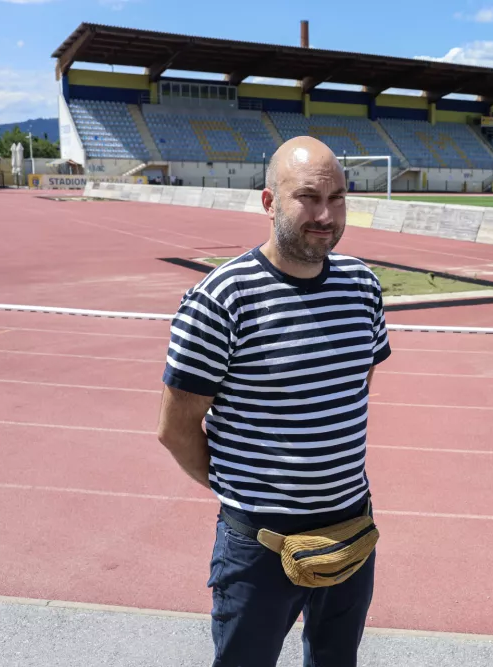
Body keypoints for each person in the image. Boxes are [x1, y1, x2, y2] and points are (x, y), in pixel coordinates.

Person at [156, 136, 391, 667]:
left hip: (351, 528)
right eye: (308, 197)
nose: (325, 214)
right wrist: (243, 489)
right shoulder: (221, 299)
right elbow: (175, 427)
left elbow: (356, 384)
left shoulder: (362, 287)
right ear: (269, 202)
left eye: (337, 198)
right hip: (258, 543)